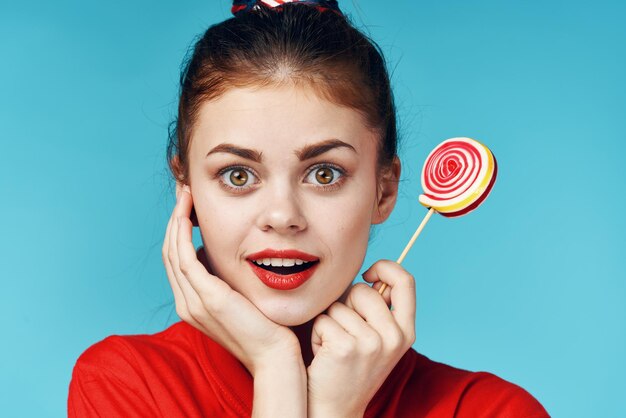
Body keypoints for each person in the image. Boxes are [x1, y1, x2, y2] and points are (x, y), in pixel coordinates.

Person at [68, 1, 550, 416]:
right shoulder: (124, 386)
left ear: (383, 191)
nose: (282, 216)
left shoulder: (493, 411)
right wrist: (276, 365)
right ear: (187, 190)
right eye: (238, 175)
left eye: (324, 174)